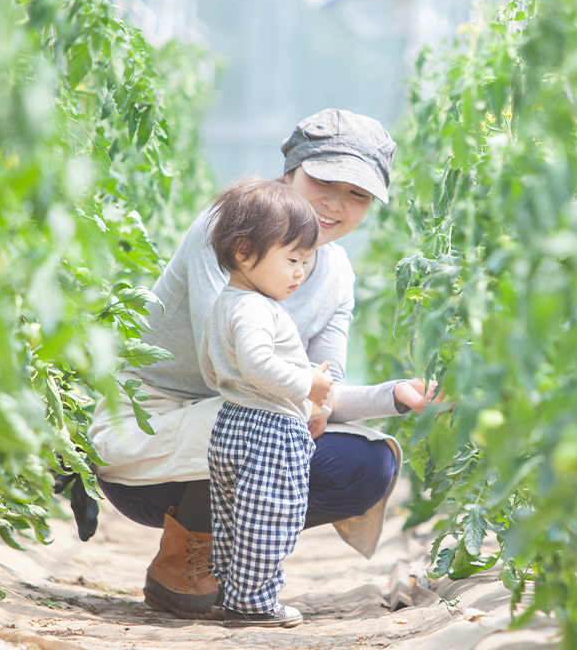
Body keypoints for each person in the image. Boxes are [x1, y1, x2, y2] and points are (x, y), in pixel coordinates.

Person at [88, 108, 441, 621]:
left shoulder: (337, 272)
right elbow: (227, 369)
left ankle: (238, 564)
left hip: (240, 428)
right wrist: (310, 404)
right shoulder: (231, 232)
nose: (335, 204)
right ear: (290, 172)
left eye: (357, 194)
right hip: (149, 439)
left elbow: (323, 388)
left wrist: (393, 396)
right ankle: (187, 558)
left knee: (368, 466)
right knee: (266, 423)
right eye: (323, 181)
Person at [200, 178, 332, 628]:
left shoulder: (226, 302)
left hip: (232, 422)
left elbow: (213, 367)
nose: (300, 273)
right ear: (243, 252)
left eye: (306, 262)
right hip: (270, 428)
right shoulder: (256, 307)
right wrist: (307, 385)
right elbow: (257, 364)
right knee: (270, 517)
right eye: (292, 260)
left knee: (234, 517)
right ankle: (253, 603)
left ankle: (232, 593)